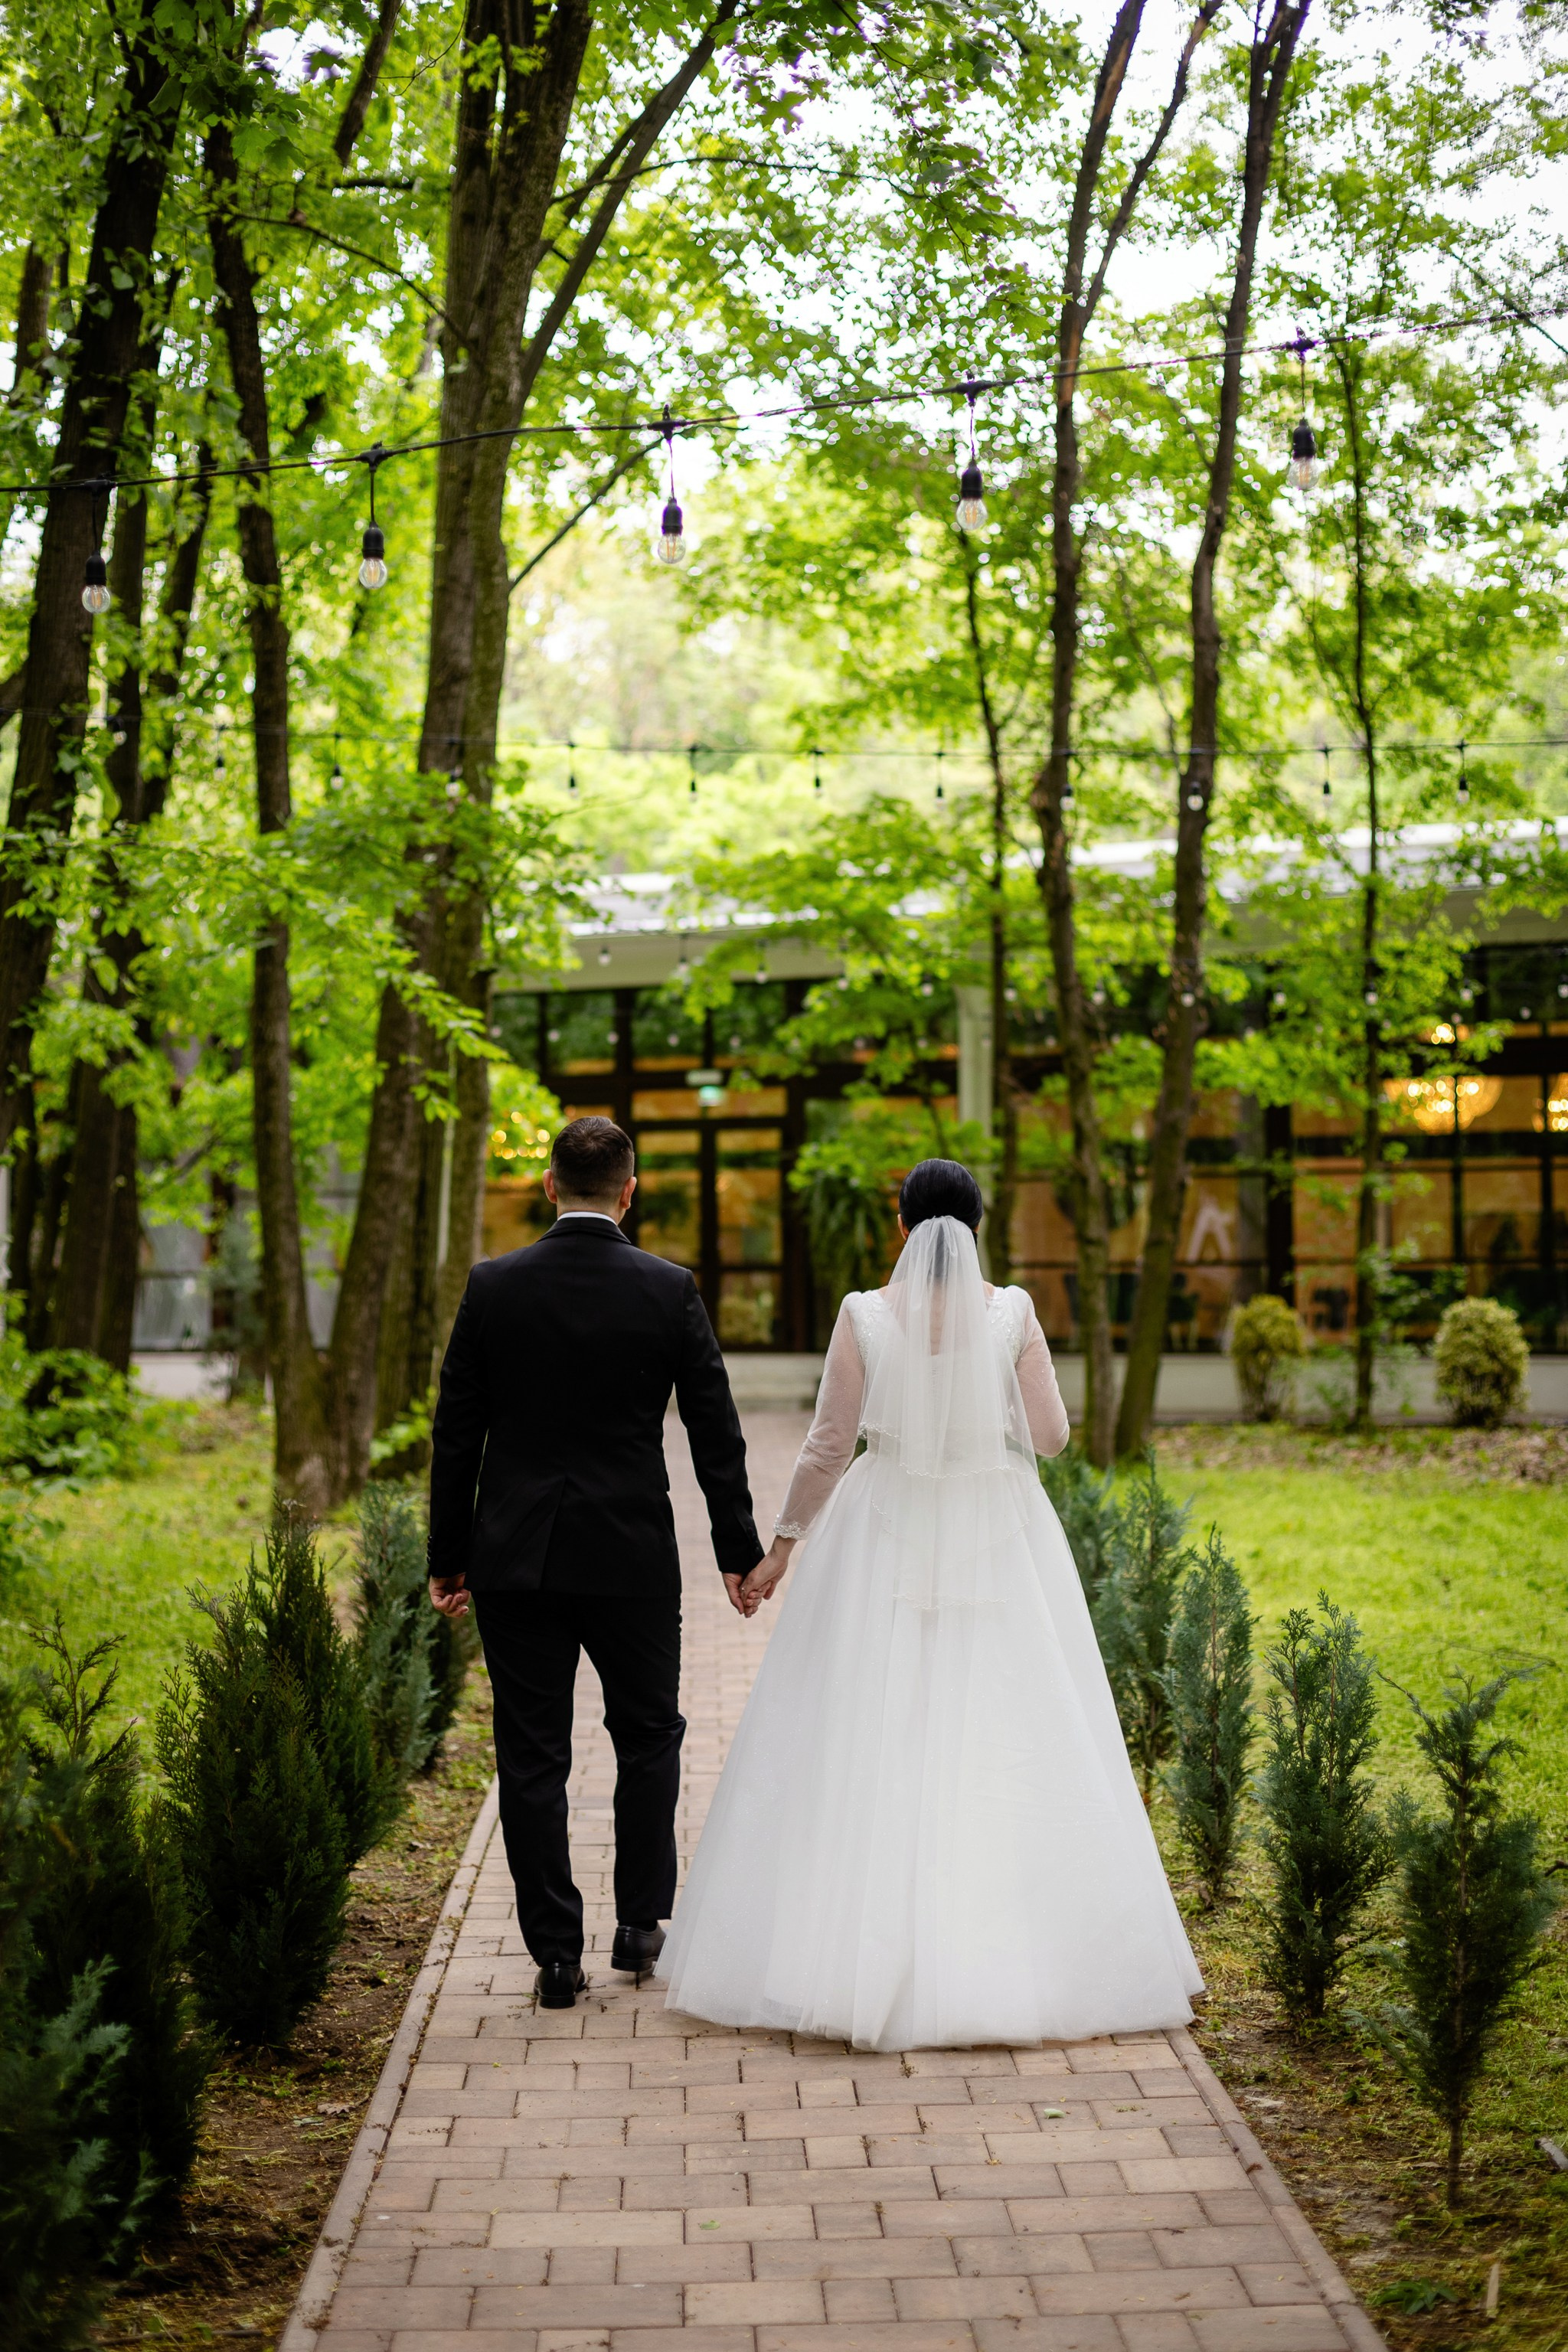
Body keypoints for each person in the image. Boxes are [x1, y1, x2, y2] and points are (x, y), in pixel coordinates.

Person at [658, 1157, 1203, 2052]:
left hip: (885, 1528)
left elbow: (829, 1445)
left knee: (872, 1720)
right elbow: (1053, 1437)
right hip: (996, 1526)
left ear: (902, 1226)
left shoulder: (864, 1314)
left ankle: (850, 1956)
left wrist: (780, 1550)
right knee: (1003, 1716)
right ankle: (1011, 1951)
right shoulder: (1013, 1311)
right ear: (978, 1225)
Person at [426, 1114, 763, 2011]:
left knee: (531, 1757)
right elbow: (713, 1429)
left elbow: (457, 1431)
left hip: (515, 1557)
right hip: (629, 1556)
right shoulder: (666, 1288)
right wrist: (739, 1553)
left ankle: (555, 1954)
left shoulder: (494, 1287)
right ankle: (639, 1925)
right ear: (629, 1189)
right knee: (648, 1737)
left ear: (547, 1187)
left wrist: (447, 1557)